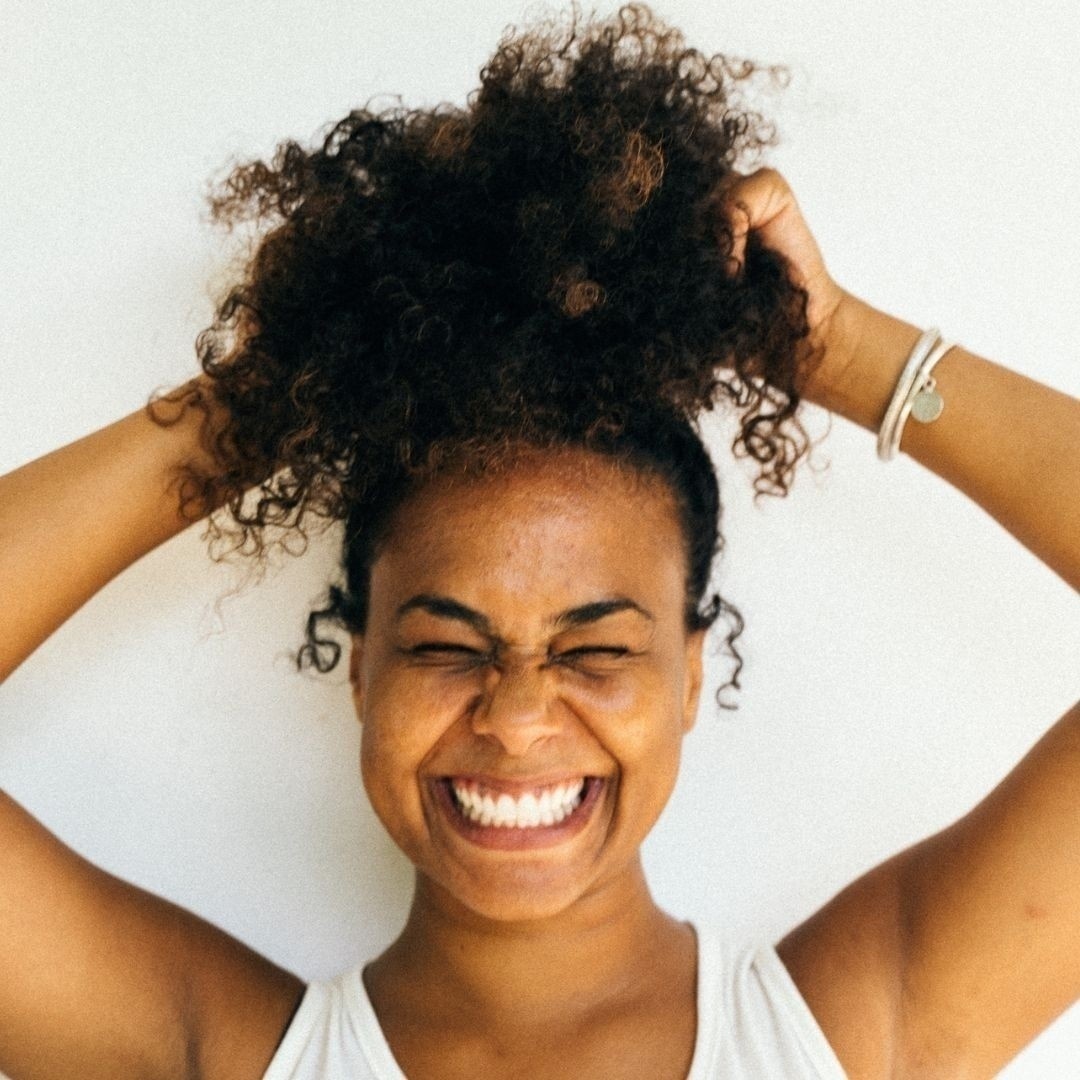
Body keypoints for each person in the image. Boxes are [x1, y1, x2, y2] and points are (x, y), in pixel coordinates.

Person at [1, 3, 1078, 1078]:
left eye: (595, 649)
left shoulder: (850, 1035)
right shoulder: (214, 1055)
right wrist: (262, 403)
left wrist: (836, 348)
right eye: (444, 646)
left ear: (689, 676)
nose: (516, 724)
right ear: (362, 671)